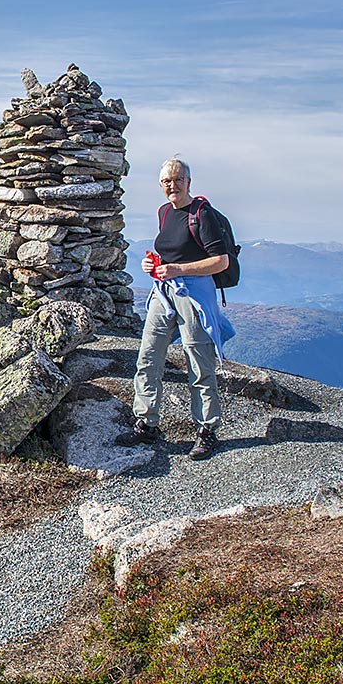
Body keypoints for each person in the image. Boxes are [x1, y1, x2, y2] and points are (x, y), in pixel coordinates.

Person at [117, 158, 235, 460]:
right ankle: (146, 422)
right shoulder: (164, 212)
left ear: (189, 181)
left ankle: (206, 431)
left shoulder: (201, 214)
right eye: (166, 181)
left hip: (195, 293)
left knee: (198, 362)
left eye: (177, 179)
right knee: (148, 355)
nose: (172, 185)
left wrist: (179, 269)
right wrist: (152, 265)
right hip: (164, 291)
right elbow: (168, 250)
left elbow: (221, 261)